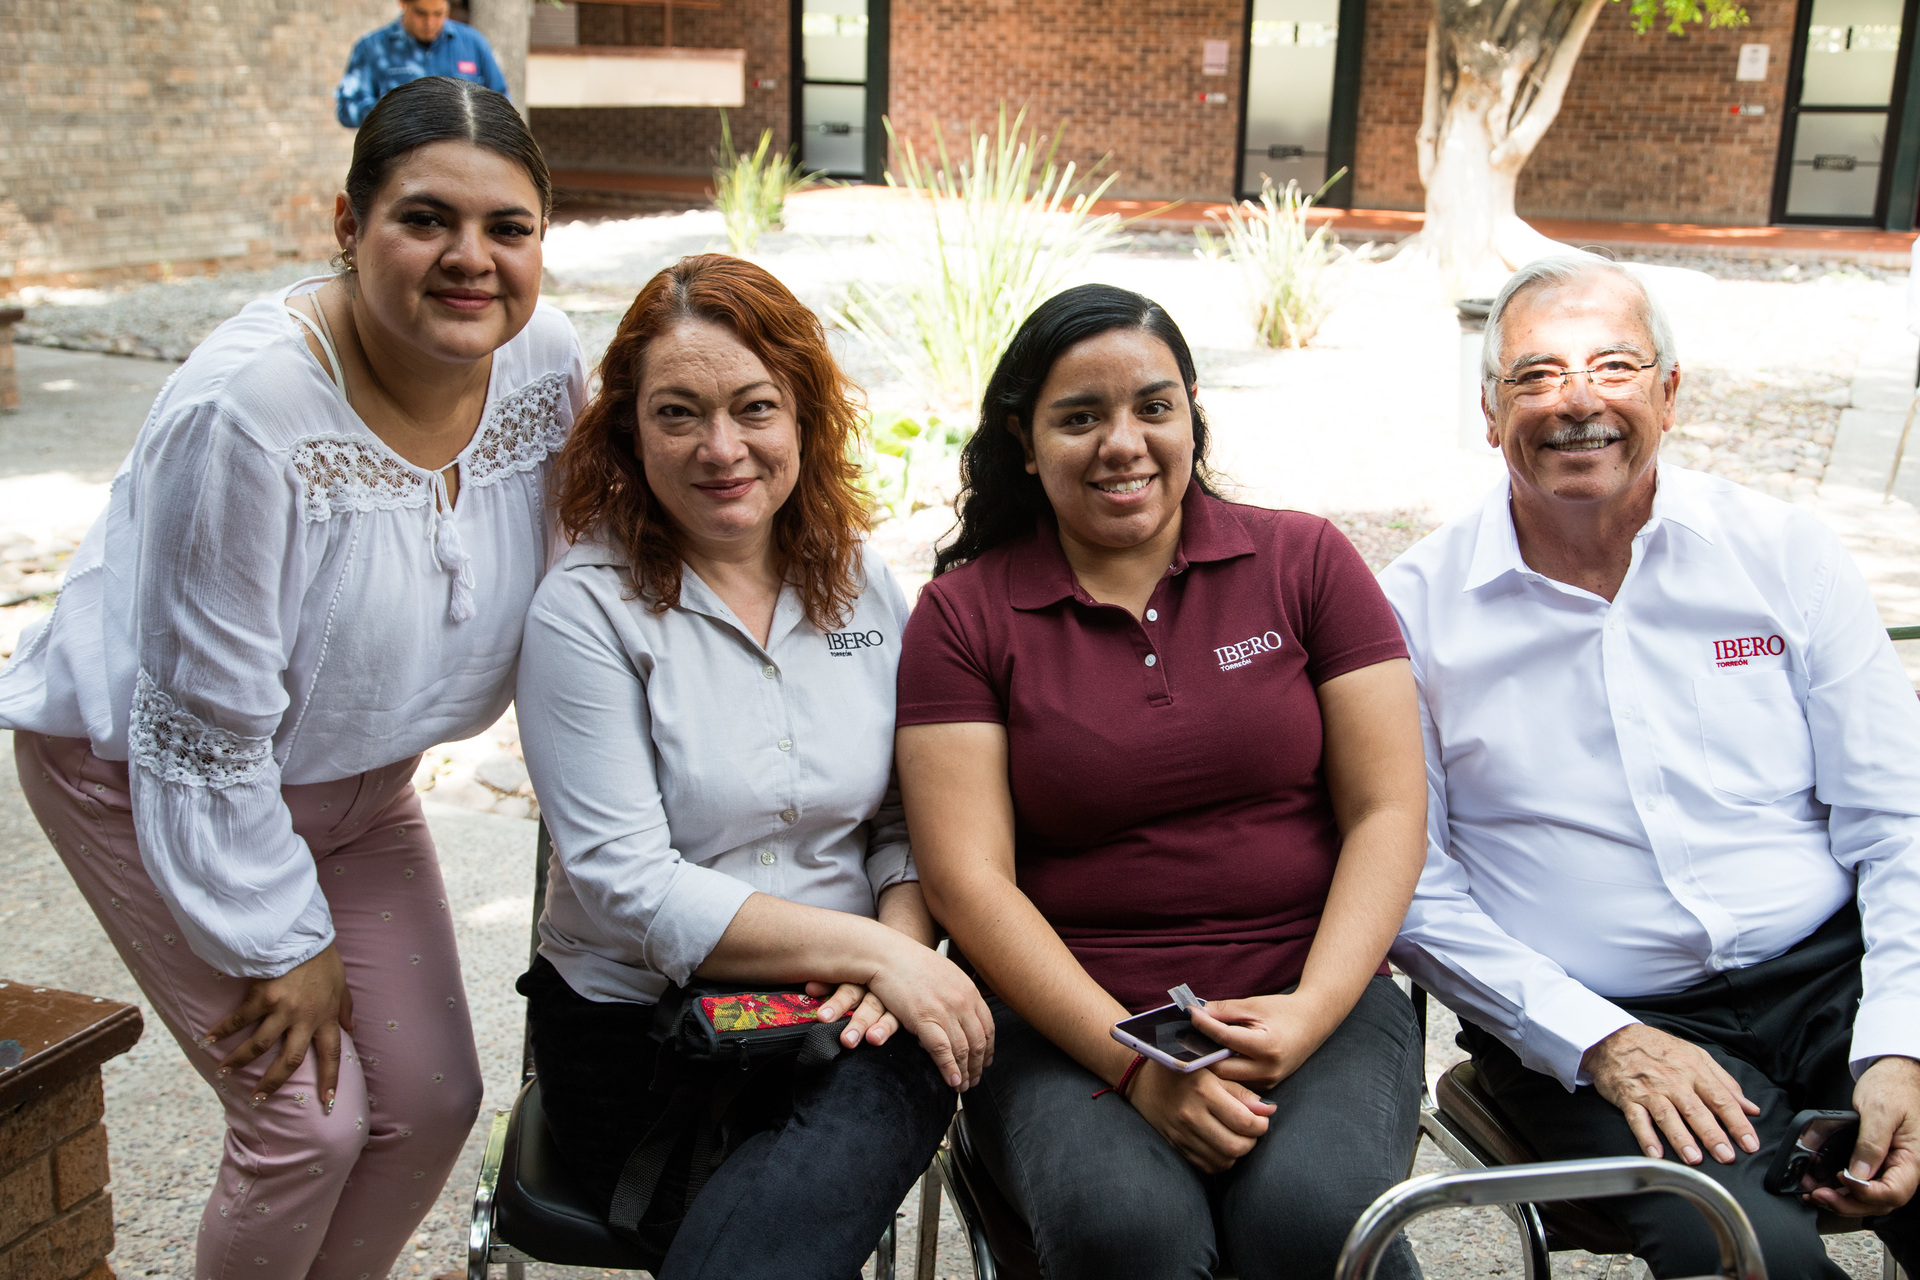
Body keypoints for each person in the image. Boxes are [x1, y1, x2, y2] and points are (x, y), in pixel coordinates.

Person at [0, 77, 585, 1279]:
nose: (470, 259)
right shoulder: (248, 413)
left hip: (357, 785)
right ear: (346, 223)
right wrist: (278, 939)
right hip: (151, 776)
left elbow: (592, 584)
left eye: (508, 227)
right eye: (425, 219)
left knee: (429, 1102)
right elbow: (199, 730)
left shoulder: (546, 365)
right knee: (303, 1123)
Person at [1383, 256, 1920, 1278]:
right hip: (1595, 1017)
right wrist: (1601, 1040)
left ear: (1670, 395)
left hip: (1833, 976)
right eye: (1536, 377)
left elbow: (1898, 816)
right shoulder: (1414, 610)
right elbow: (1410, 883)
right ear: (1490, 409)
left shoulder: (1784, 553)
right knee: (1748, 1251)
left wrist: (1902, 1037)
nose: (1577, 401)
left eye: (1614, 366)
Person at [894, 283, 1431, 1280]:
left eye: (1153, 405)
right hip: (1068, 1013)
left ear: (1192, 413)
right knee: (1124, 1230)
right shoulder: (965, 616)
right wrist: (1135, 1063)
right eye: (1079, 416)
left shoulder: (1306, 560)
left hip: (1311, 986)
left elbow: (1390, 808)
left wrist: (1310, 1007)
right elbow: (968, 880)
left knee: (1314, 1218)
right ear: (1023, 438)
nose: (1123, 442)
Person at [513, 252, 991, 1277]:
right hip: (640, 1032)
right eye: (678, 413)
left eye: (754, 407)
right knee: (774, 1232)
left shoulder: (860, 580)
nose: (720, 447)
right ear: (630, 432)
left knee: (853, 1139)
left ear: (804, 417)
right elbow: (626, 882)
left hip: (846, 1016)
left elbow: (907, 816)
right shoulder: (585, 611)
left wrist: (895, 951)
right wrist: (884, 957)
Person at [336, 0, 509, 128]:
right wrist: (396, 111)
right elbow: (347, 110)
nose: (430, 22)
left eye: (438, 14)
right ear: (403, 4)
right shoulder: (371, 48)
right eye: (421, 13)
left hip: (462, 161)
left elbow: (502, 103)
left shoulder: (474, 44)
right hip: (398, 159)